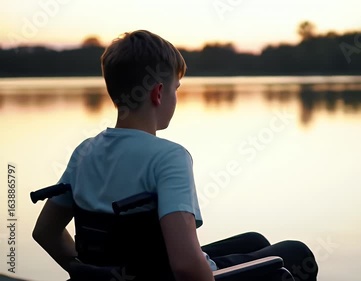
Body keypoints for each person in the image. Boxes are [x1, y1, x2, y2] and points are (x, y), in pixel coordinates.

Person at [32, 30, 318, 281]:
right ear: (158, 93)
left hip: (139, 270)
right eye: (176, 89)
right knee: (295, 253)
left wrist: (90, 273)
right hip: (169, 275)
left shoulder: (84, 151)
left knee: (255, 241)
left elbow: (46, 232)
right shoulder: (168, 158)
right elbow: (185, 267)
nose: (176, 97)